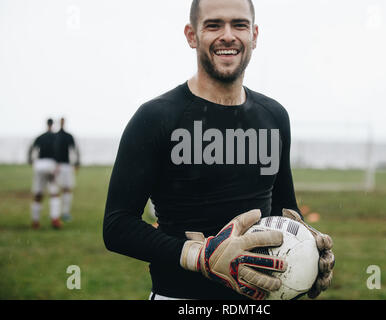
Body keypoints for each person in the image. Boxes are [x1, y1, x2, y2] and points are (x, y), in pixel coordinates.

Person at [103, 0, 334, 300]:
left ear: (254, 35)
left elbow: (284, 208)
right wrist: (201, 257)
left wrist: (308, 250)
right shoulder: (156, 117)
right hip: (180, 298)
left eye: (239, 24)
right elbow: (118, 225)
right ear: (191, 35)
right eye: (214, 25)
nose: (228, 35)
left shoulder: (274, 116)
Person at [28, 118, 62, 229]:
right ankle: (55, 219)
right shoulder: (55, 136)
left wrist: (30, 160)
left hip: (39, 165)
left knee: (38, 194)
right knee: (54, 193)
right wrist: (57, 164)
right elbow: (58, 151)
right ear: (53, 124)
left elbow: (32, 148)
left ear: (46, 124)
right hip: (50, 164)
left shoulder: (40, 136)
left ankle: (35, 221)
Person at [54, 117, 80, 222]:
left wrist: (76, 163)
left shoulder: (68, 136)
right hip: (57, 165)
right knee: (58, 190)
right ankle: (56, 213)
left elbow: (74, 150)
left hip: (66, 165)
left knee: (67, 189)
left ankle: (65, 212)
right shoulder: (57, 136)